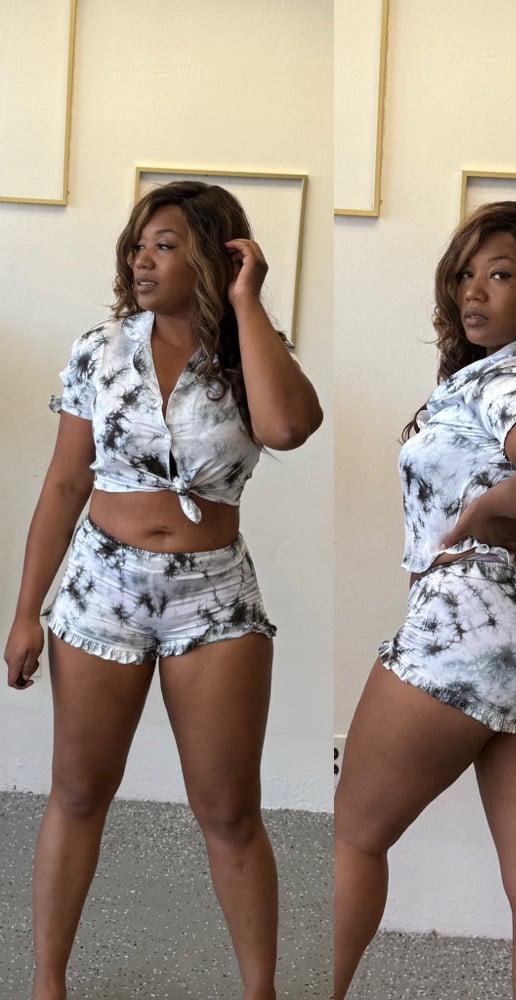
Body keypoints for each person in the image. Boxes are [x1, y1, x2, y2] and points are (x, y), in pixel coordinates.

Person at [4, 181, 323, 1000]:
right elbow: (65, 482)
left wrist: (247, 302)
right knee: (79, 792)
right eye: (138, 246)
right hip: (102, 587)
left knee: (229, 810)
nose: (143, 260)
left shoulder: (252, 351)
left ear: (216, 257)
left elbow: (289, 428)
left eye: (167, 245)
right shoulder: (100, 350)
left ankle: (260, 992)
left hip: (214, 598)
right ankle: (47, 984)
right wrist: (27, 610)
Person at [333, 201, 516, 1000]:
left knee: (351, 837)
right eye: (466, 274)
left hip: (475, 626)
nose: (474, 291)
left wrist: (483, 511)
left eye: (501, 275)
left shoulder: (510, 380)